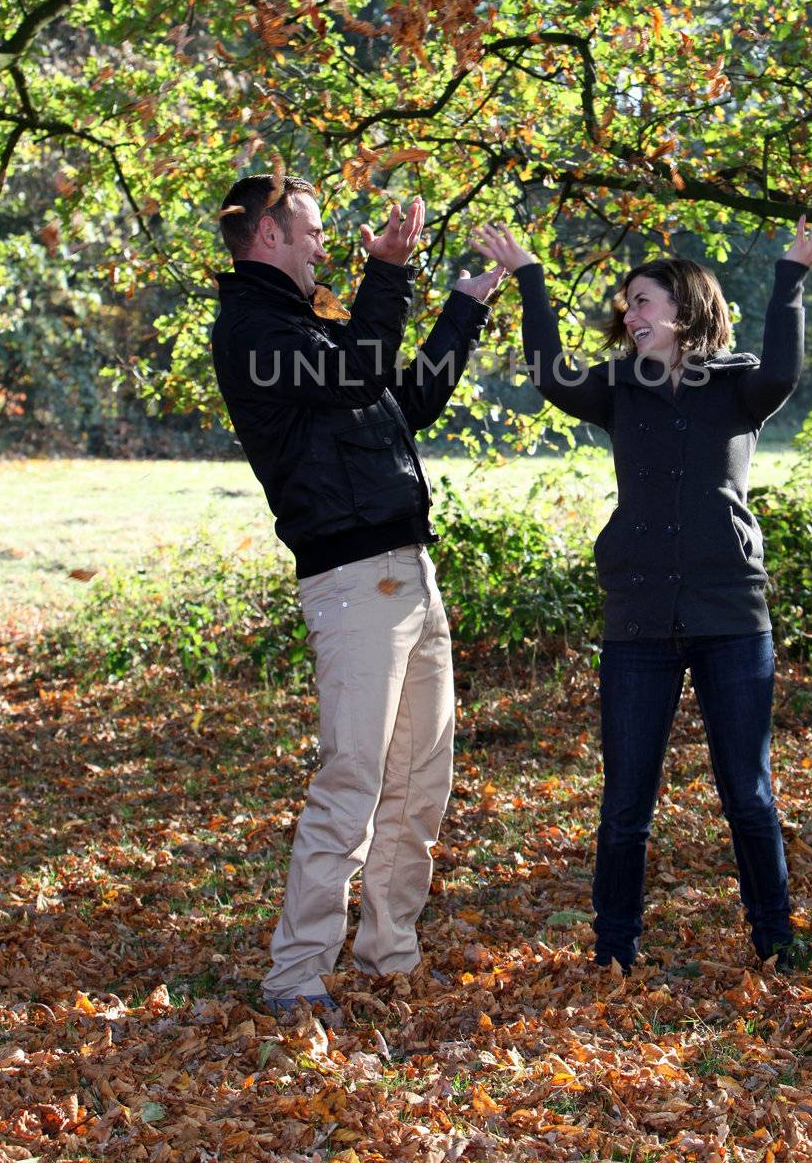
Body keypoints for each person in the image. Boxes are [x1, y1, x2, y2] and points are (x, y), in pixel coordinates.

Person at [470, 215, 812, 972]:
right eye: (626, 306)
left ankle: (775, 942)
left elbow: (784, 367)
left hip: (730, 617)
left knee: (748, 795)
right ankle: (614, 952)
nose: (628, 316)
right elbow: (549, 375)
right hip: (638, 619)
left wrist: (790, 277)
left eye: (640, 302)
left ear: (684, 309)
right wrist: (531, 275)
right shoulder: (618, 389)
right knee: (624, 805)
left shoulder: (740, 387)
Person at [212, 172, 505, 1020]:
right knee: (352, 780)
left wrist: (461, 310)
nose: (321, 242)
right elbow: (360, 373)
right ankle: (295, 977)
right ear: (266, 236)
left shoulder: (314, 327)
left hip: (409, 572)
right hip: (353, 584)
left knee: (418, 782)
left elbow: (403, 399)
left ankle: (388, 958)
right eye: (307, 228)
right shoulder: (254, 329)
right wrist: (389, 272)